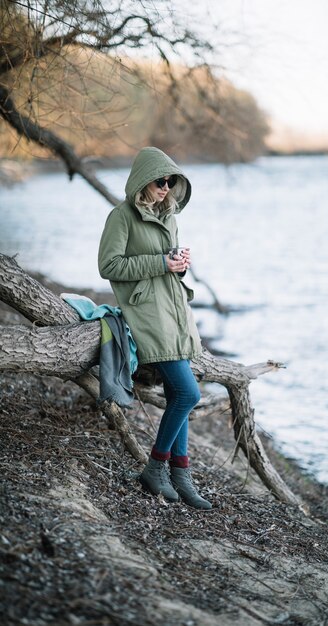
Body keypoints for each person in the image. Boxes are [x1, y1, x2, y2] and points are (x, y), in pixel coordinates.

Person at [98, 146, 211, 510]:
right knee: (189, 394)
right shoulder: (122, 216)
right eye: (161, 181)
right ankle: (155, 468)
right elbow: (109, 266)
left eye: (171, 182)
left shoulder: (169, 216)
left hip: (174, 312)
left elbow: (167, 265)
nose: (166, 187)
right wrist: (161, 262)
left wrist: (179, 265)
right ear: (143, 181)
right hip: (147, 314)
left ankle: (180, 475)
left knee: (181, 394)